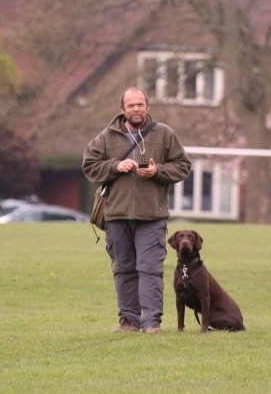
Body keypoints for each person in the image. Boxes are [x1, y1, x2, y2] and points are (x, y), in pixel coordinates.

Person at [82, 87, 192, 334]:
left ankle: (152, 322)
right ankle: (129, 321)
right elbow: (89, 166)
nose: (136, 109)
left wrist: (158, 172)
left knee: (150, 269)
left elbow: (183, 166)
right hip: (117, 217)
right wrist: (115, 165)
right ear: (122, 109)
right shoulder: (106, 137)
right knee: (123, 269)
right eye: (131, 105)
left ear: (148, 106)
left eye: (140, 104)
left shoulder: (164, 134)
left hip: (151, 217)